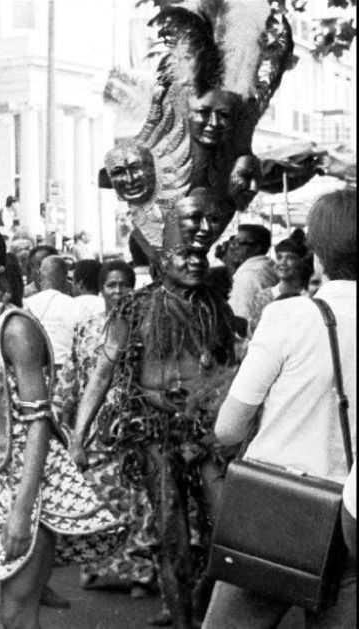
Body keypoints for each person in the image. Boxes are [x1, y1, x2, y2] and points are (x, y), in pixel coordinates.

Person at [0, 223, 124, 629]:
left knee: (17, 615)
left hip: (28, 480)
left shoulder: (16, 329)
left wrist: (22, 511)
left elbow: (41, 423)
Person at [203, 189, 356, 628]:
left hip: (278, 514)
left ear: (319, 254)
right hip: (352, 518)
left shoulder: (288, 316)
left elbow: (229, 428)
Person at [73, 244, 239, 629]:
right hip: (154, 434)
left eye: (200, 253)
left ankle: (200, 601)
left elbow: (230, 369)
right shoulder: (135, 308)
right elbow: (102, 371)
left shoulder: (214, 307)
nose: (195, 261)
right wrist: (78, 435)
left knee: (231, 528)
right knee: (171, 534)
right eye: (184, 253)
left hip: (206, 433)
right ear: (161, 260)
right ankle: (183, 620)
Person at [54, 260, 155, 597]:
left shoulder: (146, 327)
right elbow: (73, 379)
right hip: (96, 428)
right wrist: (69, 430)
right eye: (110, 285)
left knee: (138, 501)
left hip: (136, 426)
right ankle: (96, 567)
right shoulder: (86, 328)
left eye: (123, 284)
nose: (117, 291)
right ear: (101, 289)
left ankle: (140, 573)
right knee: (97, 498)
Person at [246, 233, 312, 335]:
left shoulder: (310, 296)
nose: (282, 262)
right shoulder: (263, 298)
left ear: (302, 262)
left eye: (290, 258)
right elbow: (254, 334)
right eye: (279, 257)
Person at [24, 255, 78, 369]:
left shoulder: (26, 304)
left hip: (34, 370)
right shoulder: (75, 305)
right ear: (65, 278)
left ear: (39, 276)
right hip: (66, 371)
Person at [226, 224, 277, 321]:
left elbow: (243, 315)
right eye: (232, 242)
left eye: (238, 243)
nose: (232, 247)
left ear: (256, 248)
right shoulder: (268, 265)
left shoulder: (250, 274)